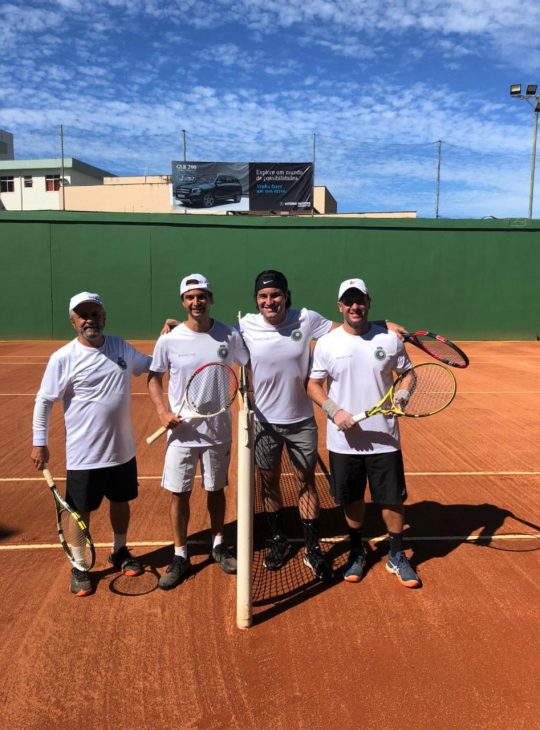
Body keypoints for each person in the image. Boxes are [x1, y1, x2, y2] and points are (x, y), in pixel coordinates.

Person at [31, 292, 152, 597]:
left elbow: (150, 365)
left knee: (120, 502)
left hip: (122, 450)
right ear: (73, 321)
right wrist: (39, 442)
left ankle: (120, 551)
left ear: (104, 316)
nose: (89, 320)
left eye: (94, 313)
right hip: (84, 455)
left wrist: (170, 340)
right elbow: (44, 400)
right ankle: (81, 566)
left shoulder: (120, 346)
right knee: (78, 512)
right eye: (82, 315)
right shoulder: (63, 357)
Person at [306, 277, 421, 588]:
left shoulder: (389, 339)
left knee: (391, 500)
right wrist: (334, 411)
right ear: (340, 306)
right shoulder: (327, 343)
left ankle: (397, 555)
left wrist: (402, 395)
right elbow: (313, 385)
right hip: (344, 442)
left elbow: (408, 375)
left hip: (384, 438)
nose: (355, 306)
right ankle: (358, 551)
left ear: (369, 303)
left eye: (360, 300)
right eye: (349, 301)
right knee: (353, 500)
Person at [148, 274, 249, 591]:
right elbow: (153, 377)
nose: (196, 302)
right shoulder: (169, 339)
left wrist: (250, 405)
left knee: (216, 490)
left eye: (202, 296)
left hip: (218, 431)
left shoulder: (228, 336)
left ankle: (218, 543)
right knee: (179, 493)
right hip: (181, 435)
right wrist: (163, 412)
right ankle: (180, 554)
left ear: (210, 299)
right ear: (183, 302)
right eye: (190, 297)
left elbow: (248, 368)